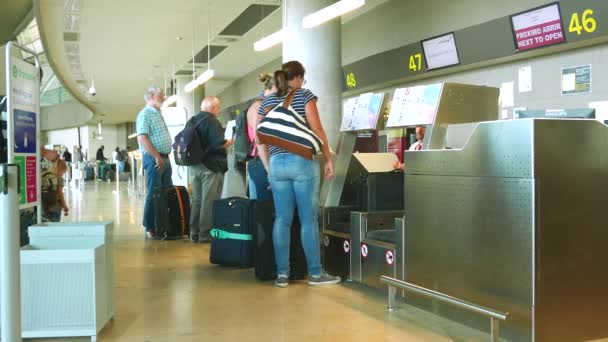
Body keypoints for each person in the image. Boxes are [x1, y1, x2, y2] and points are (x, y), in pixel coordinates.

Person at [257, 61, 340, 287]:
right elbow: (317, 129)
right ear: (299, 77)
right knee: (307, 219)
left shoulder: (268, 101)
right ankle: (315, 274)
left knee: (282, 219)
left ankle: (282, 274)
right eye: (302, 78)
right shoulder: (304, 96)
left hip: (276, 164)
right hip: (302, 162)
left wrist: (268, 168)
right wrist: (328, 158)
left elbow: (260, 138)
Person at [189, 96, 233, 243]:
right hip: (210, 167)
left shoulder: (193, 120)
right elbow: (218, 144)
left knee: (197, 200)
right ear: (213, 108)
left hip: (194, 166)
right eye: (218, 108)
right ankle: (205, 234)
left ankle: (193, 232)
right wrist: (232, 140)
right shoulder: (212, 121)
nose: (218, 111)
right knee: (209, 201)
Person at [136, 86, 173, 239]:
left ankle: (163, 224)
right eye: (161, 95)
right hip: (154, 159)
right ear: (151, 97)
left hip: (164, 157)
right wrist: (157, 156)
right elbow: (142, 138)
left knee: (165, 191)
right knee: (154, 192)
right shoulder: (145, 114)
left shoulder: (158, 113)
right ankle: (150, 225)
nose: (164, 97)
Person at [245, 74, 275, 200]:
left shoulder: (271, 106)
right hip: (263, 164)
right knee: (266, 211)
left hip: (269, 163)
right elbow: (260, 140)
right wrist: (269, 170)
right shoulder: (258, 107)